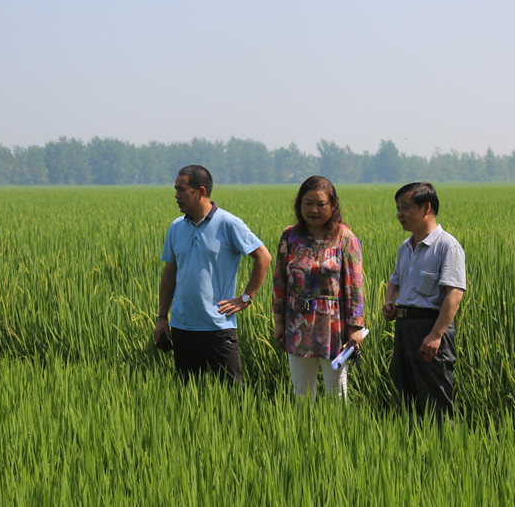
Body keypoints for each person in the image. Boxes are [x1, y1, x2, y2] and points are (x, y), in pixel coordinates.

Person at [154, 165, 271, 386]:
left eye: (181, 190)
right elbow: (169, 273)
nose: (176, 196)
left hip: (218, 326)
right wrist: (162, 318)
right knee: (188, 395)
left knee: (233, 395)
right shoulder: (176, 227)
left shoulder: (229, 224)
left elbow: (263, 257)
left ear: (200, 191)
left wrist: (246, 298)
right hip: (182, 326)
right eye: (176, 189)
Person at [272, 176, 365, 399]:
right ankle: (305, 424)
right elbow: (279, 282)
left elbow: (354, 286)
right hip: (297, 324)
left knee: (337, 392)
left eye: (321, 204)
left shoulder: (345, 238)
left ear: (332, 206)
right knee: (301, 393)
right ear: (299, 204)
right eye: (308, 203)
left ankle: (338, 425)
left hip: (333, 325)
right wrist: (279, 322)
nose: (314, 209)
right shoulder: (290, 236)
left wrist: (355, 327)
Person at [382, 182, 466, 424]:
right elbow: (395, 281)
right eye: (398, 208)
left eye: (405, 207)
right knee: (408, 397)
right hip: (404, 328)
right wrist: (390, 302)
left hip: (430, 328)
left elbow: (454, 293)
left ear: (426, 208)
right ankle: (414, 445)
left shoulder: (447, 246)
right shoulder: (405, 247)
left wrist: (436, 335)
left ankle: (445, 445)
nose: (400, 214)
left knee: (435, 399)